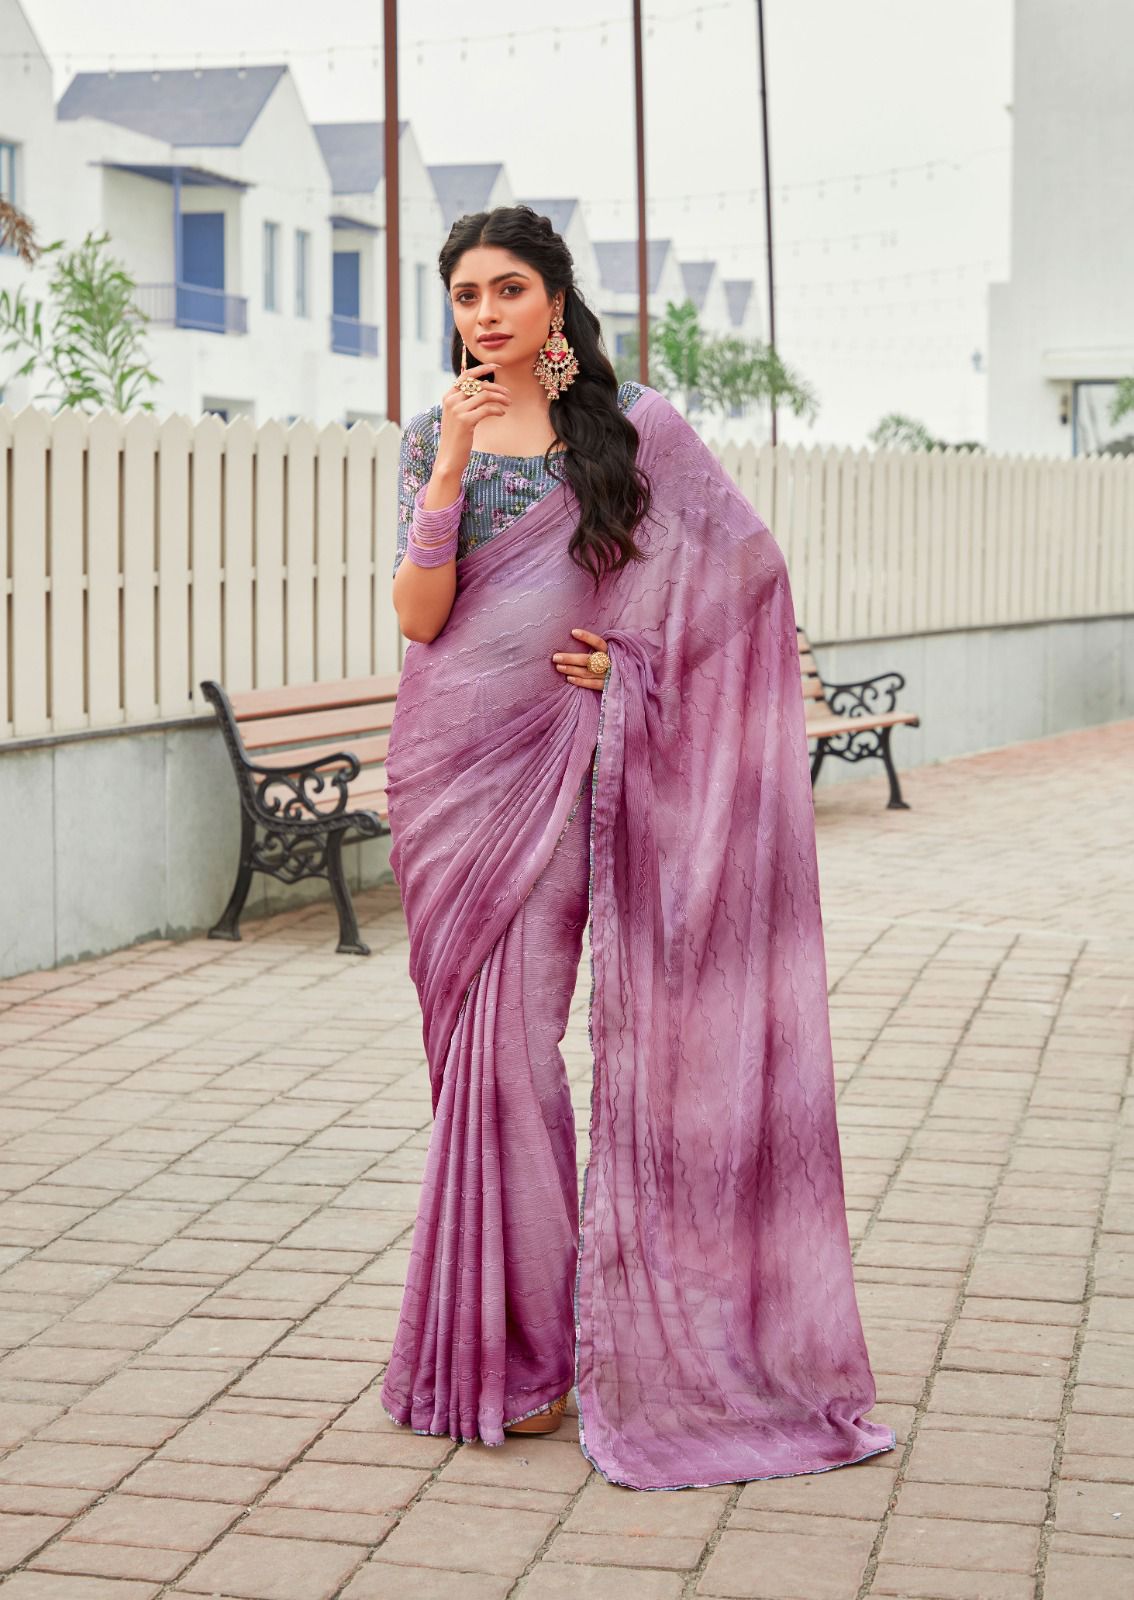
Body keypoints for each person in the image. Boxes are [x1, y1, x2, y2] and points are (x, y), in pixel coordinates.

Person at [379, 204, 896, 1493]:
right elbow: (421, 616)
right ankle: (505, 1347)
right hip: (448, 769)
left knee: (517, 1052)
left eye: (508, 289)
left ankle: (535, 1355)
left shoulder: (637, 428)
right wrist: (448, 466)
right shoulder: (429, 435)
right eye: (465, 296)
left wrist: (636, 666)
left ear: (555, 299)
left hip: (565, 764)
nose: (485, 315)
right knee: (478, 1057)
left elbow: (745, 581)